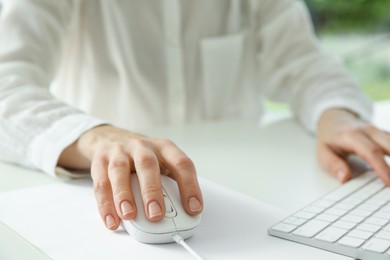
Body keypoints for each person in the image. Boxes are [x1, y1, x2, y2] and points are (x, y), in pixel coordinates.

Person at [0, 0, 389, 231]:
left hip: (253, 204)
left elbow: (307, 64)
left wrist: (337, 114)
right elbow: (7, 81)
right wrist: (94, 136)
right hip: (101, 194)